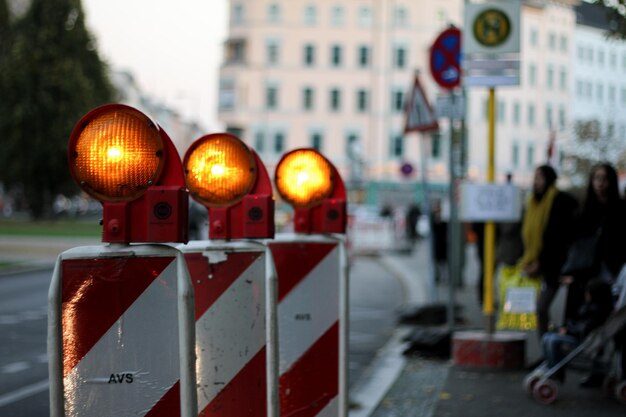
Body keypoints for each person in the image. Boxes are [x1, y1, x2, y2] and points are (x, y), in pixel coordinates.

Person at [518, 165, 578, 339]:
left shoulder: (559, 201)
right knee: (540, 309)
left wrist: (540, 262)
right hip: (538, 262)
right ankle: (549, 347)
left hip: (556, 265)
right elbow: (528, 233)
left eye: (540, 177)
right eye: (534, 177)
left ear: (549, 179)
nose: (535, 182)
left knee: (542, 308)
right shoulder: (532, 202)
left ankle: (550, 349)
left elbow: (556, 237)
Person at [562, 163, 626, 323]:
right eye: (597, 178)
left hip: (611, 272)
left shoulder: (620, 209)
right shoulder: (583, 209)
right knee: (581, 318)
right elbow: (573, 242)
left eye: (605, 179)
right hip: (584, 272)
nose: (600, 183)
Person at [541, 279, 614, 383]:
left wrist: (568, 331)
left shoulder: (596, 311)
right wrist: (567, 328)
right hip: (579, 335)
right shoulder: (591, 307)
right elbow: (580, 323)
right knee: (548, 337)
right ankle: (553, 368)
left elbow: (586, 328)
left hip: (583, 340)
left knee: (551, 340)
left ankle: (555, 370)